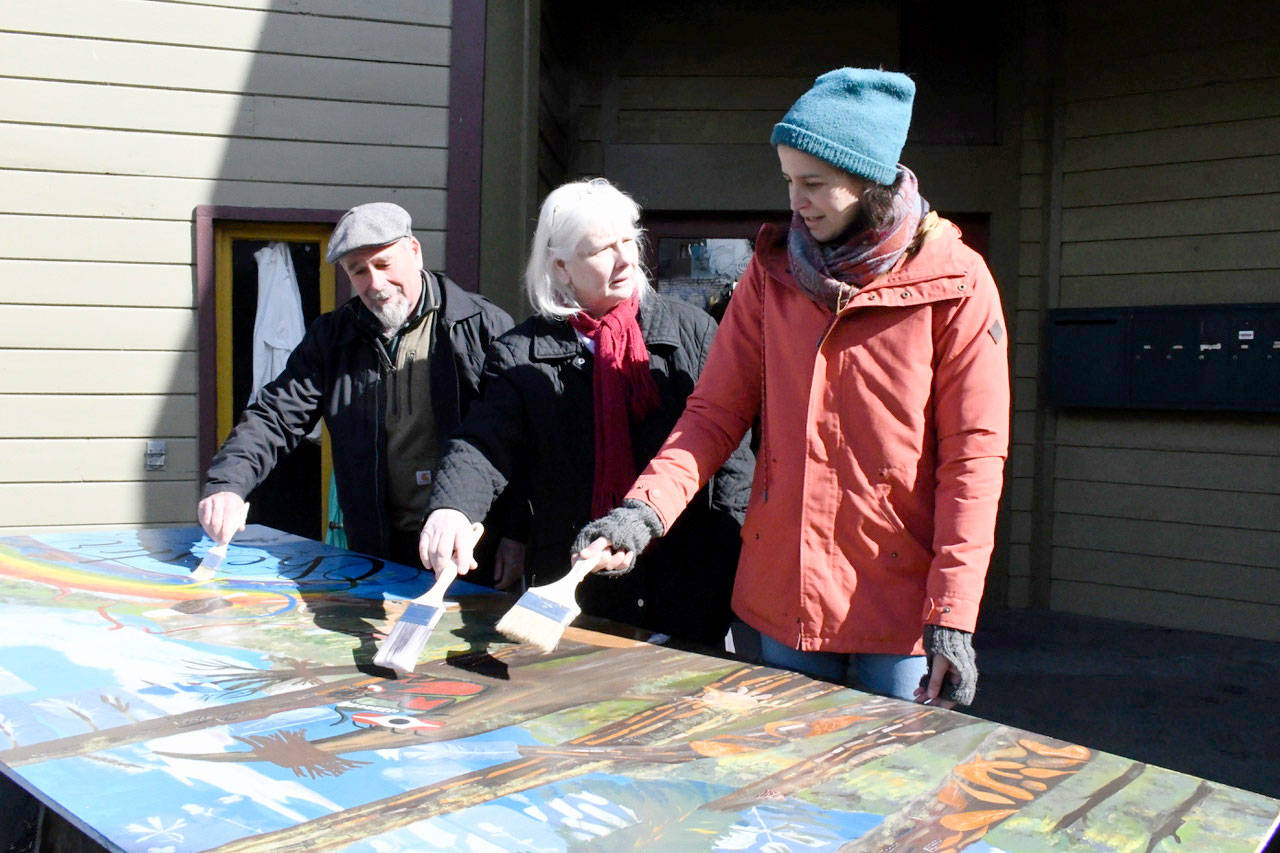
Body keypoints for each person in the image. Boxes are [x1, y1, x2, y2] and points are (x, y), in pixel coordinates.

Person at [574, 68, 1010, 707]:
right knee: (781, 796)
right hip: (784, 601)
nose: (795, 202)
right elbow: (714, 413)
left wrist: (953, 612)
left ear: (869, 180)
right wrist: (643, 512)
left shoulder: (958, 283)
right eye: (787, 181)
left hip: (899, 610)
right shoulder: (769, 274)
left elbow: (974, 456)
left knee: (886, 791)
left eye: (814, 184)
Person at [418, 178, 753, 647]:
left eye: (627, 242)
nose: (624, 260)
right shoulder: (519, 354)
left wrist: (732, 561)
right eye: (601, 250)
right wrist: (453, 508)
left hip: (690, 583)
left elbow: (733, 464)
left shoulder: (693, 332)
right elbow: (482, 443)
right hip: (577, 585)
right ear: (560, 268)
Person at [198, 202, 515, 569]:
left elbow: (510, 438)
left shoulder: (482, 325)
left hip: (469, 544)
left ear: (414, 251)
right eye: (358, 271)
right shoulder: (332, 337)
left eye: (383, 264)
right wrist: (226, 484)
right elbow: (276, 416)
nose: (375, 283)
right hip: (375, 545)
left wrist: (516, 535)